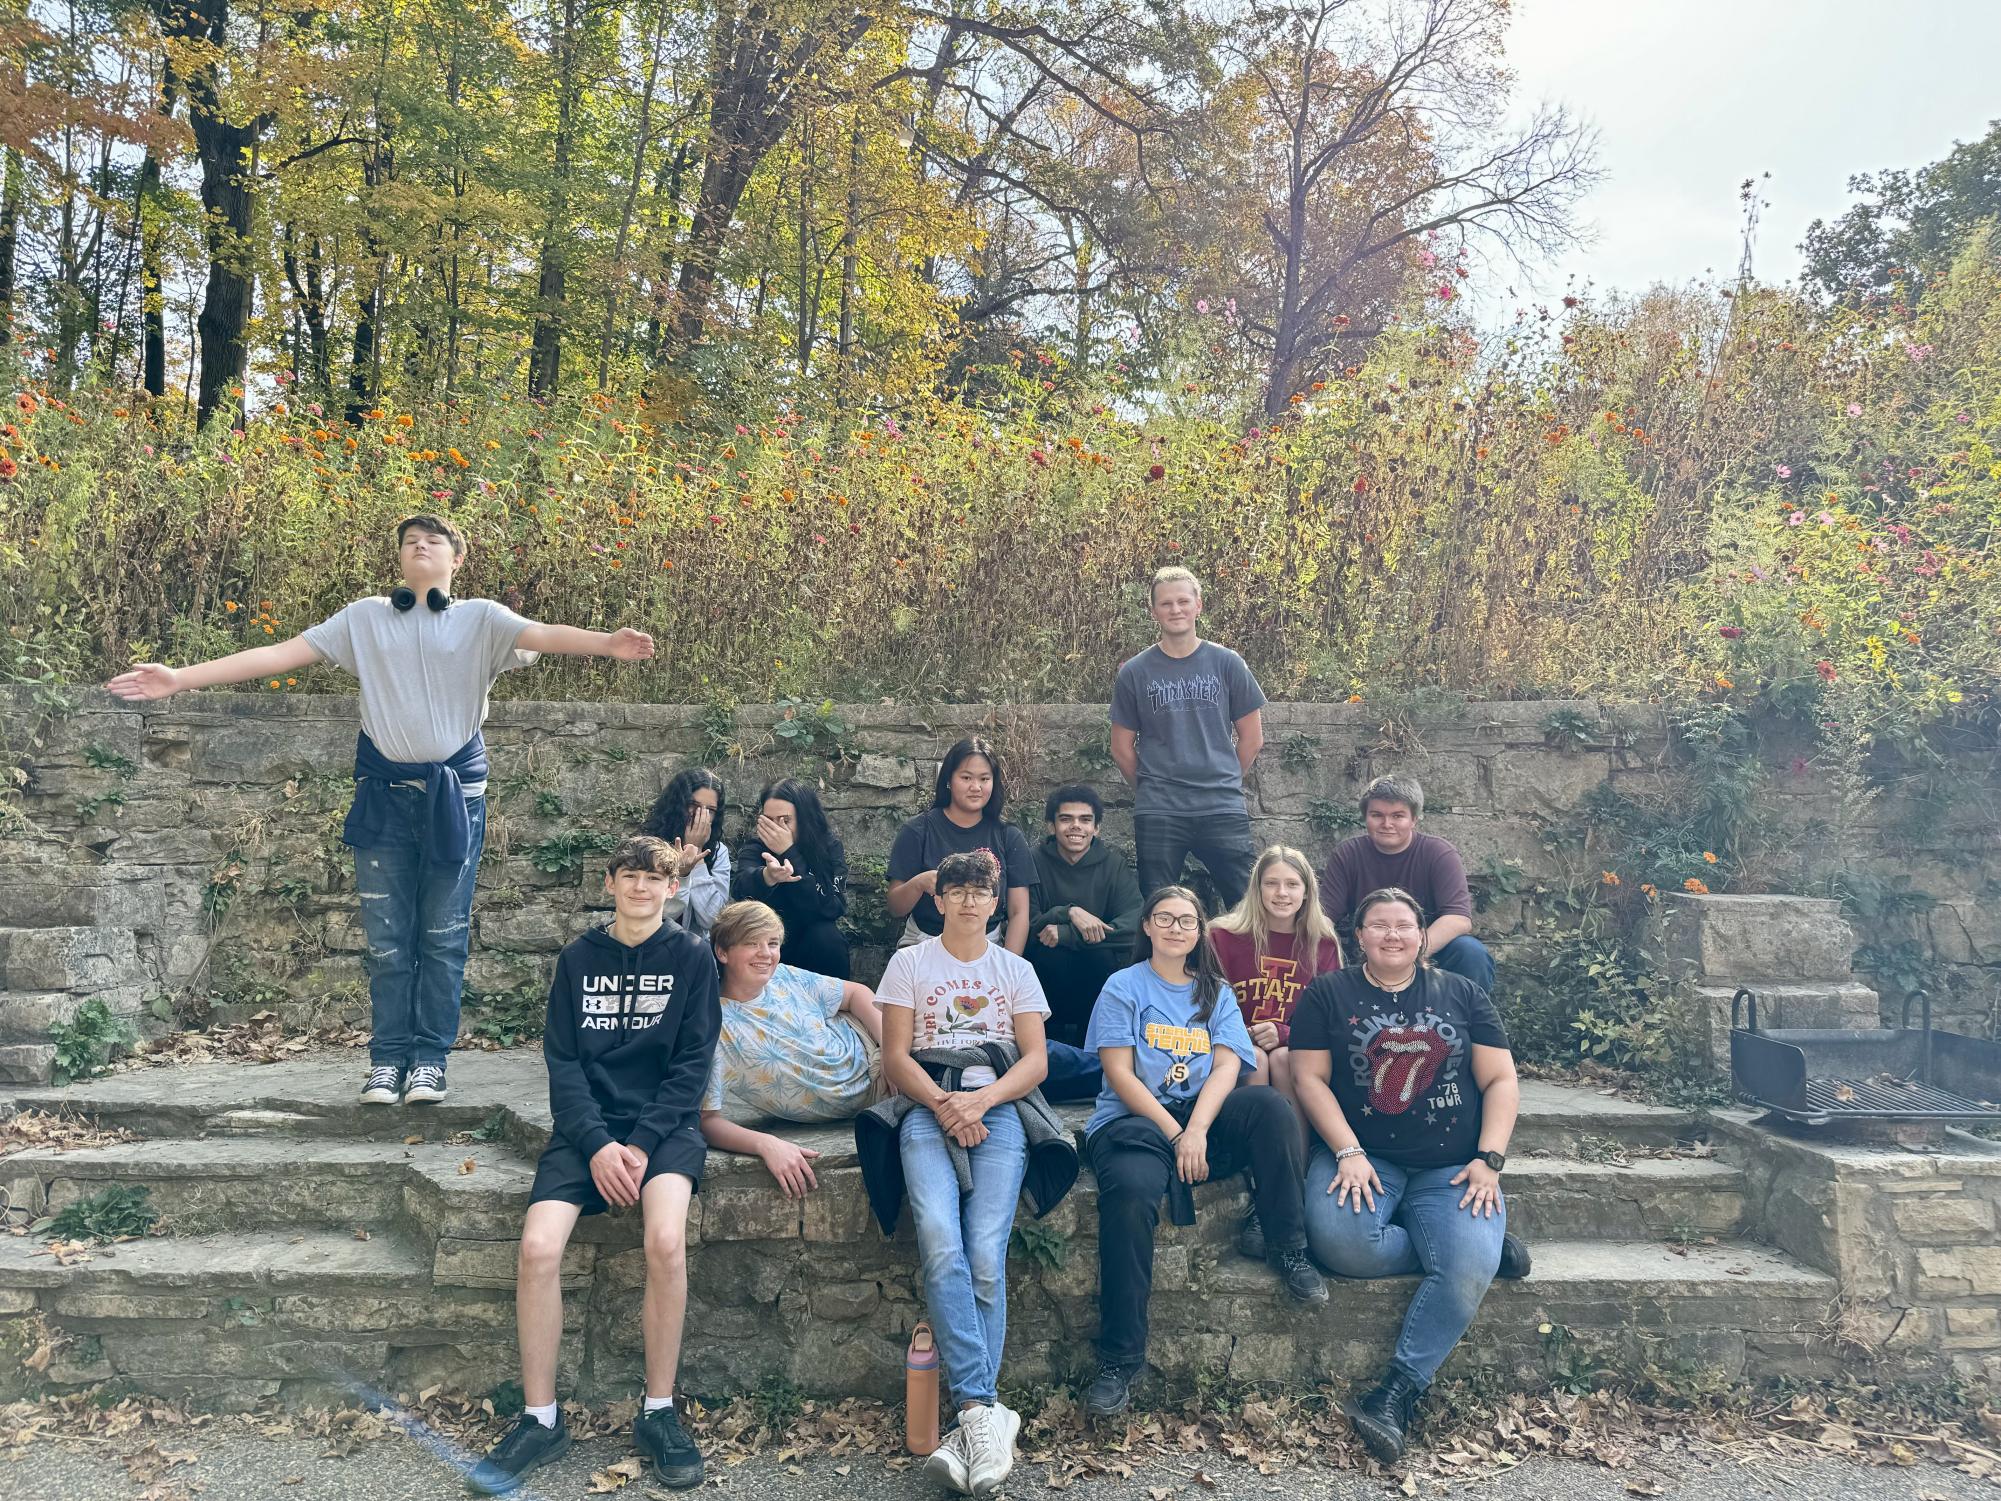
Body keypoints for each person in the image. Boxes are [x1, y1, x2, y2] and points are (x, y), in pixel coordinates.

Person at [105, 513, 655, 1108]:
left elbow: (545, 635)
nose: (420, 547)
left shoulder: (483, 619)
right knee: (387, 940)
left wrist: (607, 644)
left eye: (434, 540)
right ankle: (388, 1061)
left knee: (443, 937)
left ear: (457, 558)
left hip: (455, 802)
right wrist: (178, 678)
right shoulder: (364, 617)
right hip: (384, 800)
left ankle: (430, 1063)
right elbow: (279, 654)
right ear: (398, 559)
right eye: (410, 542)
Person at [464, 836, 721, 1495]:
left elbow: (692, 1066)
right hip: (586, 1132)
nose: (641, 887)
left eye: (654, 878)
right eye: (630, 876)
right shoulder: (578, 958)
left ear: (671, 888)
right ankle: (541, 1418)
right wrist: (600, 1143)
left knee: (664, 1240)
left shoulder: (691, 957)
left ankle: (658, 1412)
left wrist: (637, 1143)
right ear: (609, 882)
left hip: (662, 1130)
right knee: (536, 1248)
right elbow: (563, 1064)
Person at [1289, 887, 1530, 1463]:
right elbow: (1310, 1080)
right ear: (1359, 936)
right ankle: (1474, 1246)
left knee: (1466, 1269)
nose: (1392, 935)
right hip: (1364, 1158)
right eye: (1379, 925)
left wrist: (1490, 1160)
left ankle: (1395, 1392)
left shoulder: (1462, 993)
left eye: (1404, 925)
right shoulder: (1327, 993)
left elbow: (1501, 1081)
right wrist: (1346, 1150)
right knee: (1344, 1244)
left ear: (1422, 936)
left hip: (1453, 1165)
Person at [858, 852, 1070, 1497]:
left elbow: (1034, 1060)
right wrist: (948, 1105)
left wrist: (980, 1102)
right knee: (941, 1243)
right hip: (926, 1107)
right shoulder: (910, 963)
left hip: (999, 1112)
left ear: (996, 901)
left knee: (983, 1251)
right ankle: (983, 1411)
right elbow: (896, 1056)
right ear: (940, 899)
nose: (971, 902)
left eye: (982, 892)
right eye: (959, 891)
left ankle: (969, 1424)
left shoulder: (1015, 969)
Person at [1079, 885, 1326, 1419]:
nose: (1175, 928)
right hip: (1133, 1124)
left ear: (1199, 932)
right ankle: (1120, 1359)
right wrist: (1176, 1132)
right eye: (1164, 918)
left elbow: (1227, 1067)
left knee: (1271, 1107)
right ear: (1146, 926)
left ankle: (1288, 1246)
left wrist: (1198, 1130)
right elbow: (1119, 1074)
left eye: (1186, 921)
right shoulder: (1124, 986)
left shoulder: (1214, 991)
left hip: (1197, 1120)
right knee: (1132, 1194)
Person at [1209, 845, 1342, 1260]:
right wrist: (1243, 1033)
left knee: (1283, 1057)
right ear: (1256, 888)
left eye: (1291, 884)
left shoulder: (1322, 942)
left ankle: (1289, 1185)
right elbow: (1202, 1000)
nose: (1281, 892)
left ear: (1307, 891)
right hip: (1234, 1044)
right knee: (1258, 1057)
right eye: (1271, 883)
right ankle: (1257, 1185)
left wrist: (1285, 1030)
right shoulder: (1222, 935)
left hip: (1296, 1050)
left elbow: (1333, 1016)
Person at [699, 900, 884, 1196]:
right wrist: (765, 1143)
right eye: (751, 943)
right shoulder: (714, 1029)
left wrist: (892, 1052)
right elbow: (707, 1121)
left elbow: (857, 994)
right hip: (874, 1097)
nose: (766, 954)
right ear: (722, 952)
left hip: (873, 1045)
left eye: (773, 943)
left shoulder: (785, 977)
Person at [1109, 567, 1265, 909]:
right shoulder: (1135, 672)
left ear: (1199, 606)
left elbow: (1251, 738)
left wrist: (1222, 780)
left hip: (1221, 805)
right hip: (1160, 809)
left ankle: (1243, 965)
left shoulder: (1228, 663)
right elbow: (1121, 748)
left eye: (1183, 601)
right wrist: (1152, 788)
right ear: (1153, 612)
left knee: (1247, 906)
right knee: (1158, 907)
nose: (1175, 609)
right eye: (1166, 604)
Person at [1319, 774, 1493, 994]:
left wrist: (1412, 953)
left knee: (1470, 952)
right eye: (1377, 815)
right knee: (1318, 945)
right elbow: (1323, 916)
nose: (1387, 824)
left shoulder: (1438, 853)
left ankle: (1470, 1023)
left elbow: (1458, 918)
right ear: (1365, 817)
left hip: (1429, 952)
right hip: (1369, 952)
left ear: (1414, 819)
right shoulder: (1348, 854)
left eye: (1398, 816)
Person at [886, 738, 1037, 956]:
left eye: (984, 779)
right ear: (948, 779)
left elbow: (1019, 912)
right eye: (966, 777)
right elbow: (895, 908)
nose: (976, 787)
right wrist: (919, 884)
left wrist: (1008, 967)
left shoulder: (1008, 836)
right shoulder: (918, 830)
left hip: (988, 943)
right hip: (924, 941)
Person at [1026, 784, 1142, 1046]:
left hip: (1096, 978)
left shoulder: (1113, 866)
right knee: (1049, 957)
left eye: (1085, 820)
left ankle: (1095, 1059)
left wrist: (1068, 933)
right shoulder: (1033, 861)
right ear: (1051, 826)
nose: (1075, 826)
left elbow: (1135, 926)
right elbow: (1027, 925)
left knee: (1099, 957)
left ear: (1096, 828)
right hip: (1045, 980)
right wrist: (1068, 912)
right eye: (1066, 819)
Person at [730, 778, 851, 979]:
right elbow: (740, 888)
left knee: (828, 937)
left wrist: (790, 853)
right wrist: (767, 877)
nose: (777, 828)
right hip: (766, 941)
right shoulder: (757, 847)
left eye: (785, 820)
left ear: (804, 819)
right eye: (769, 820)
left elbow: (833, 906)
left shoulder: (828, 846)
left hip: (813, 942)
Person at [640, 769, 730, 939]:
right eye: (694, 806)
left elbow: (712, 920)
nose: (700, 816)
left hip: (696, 954)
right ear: (677, 804)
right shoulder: (647, 846)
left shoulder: (718, 852)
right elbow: (661, 916)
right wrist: (682, 872)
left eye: (709, 810)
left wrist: (696, 854)